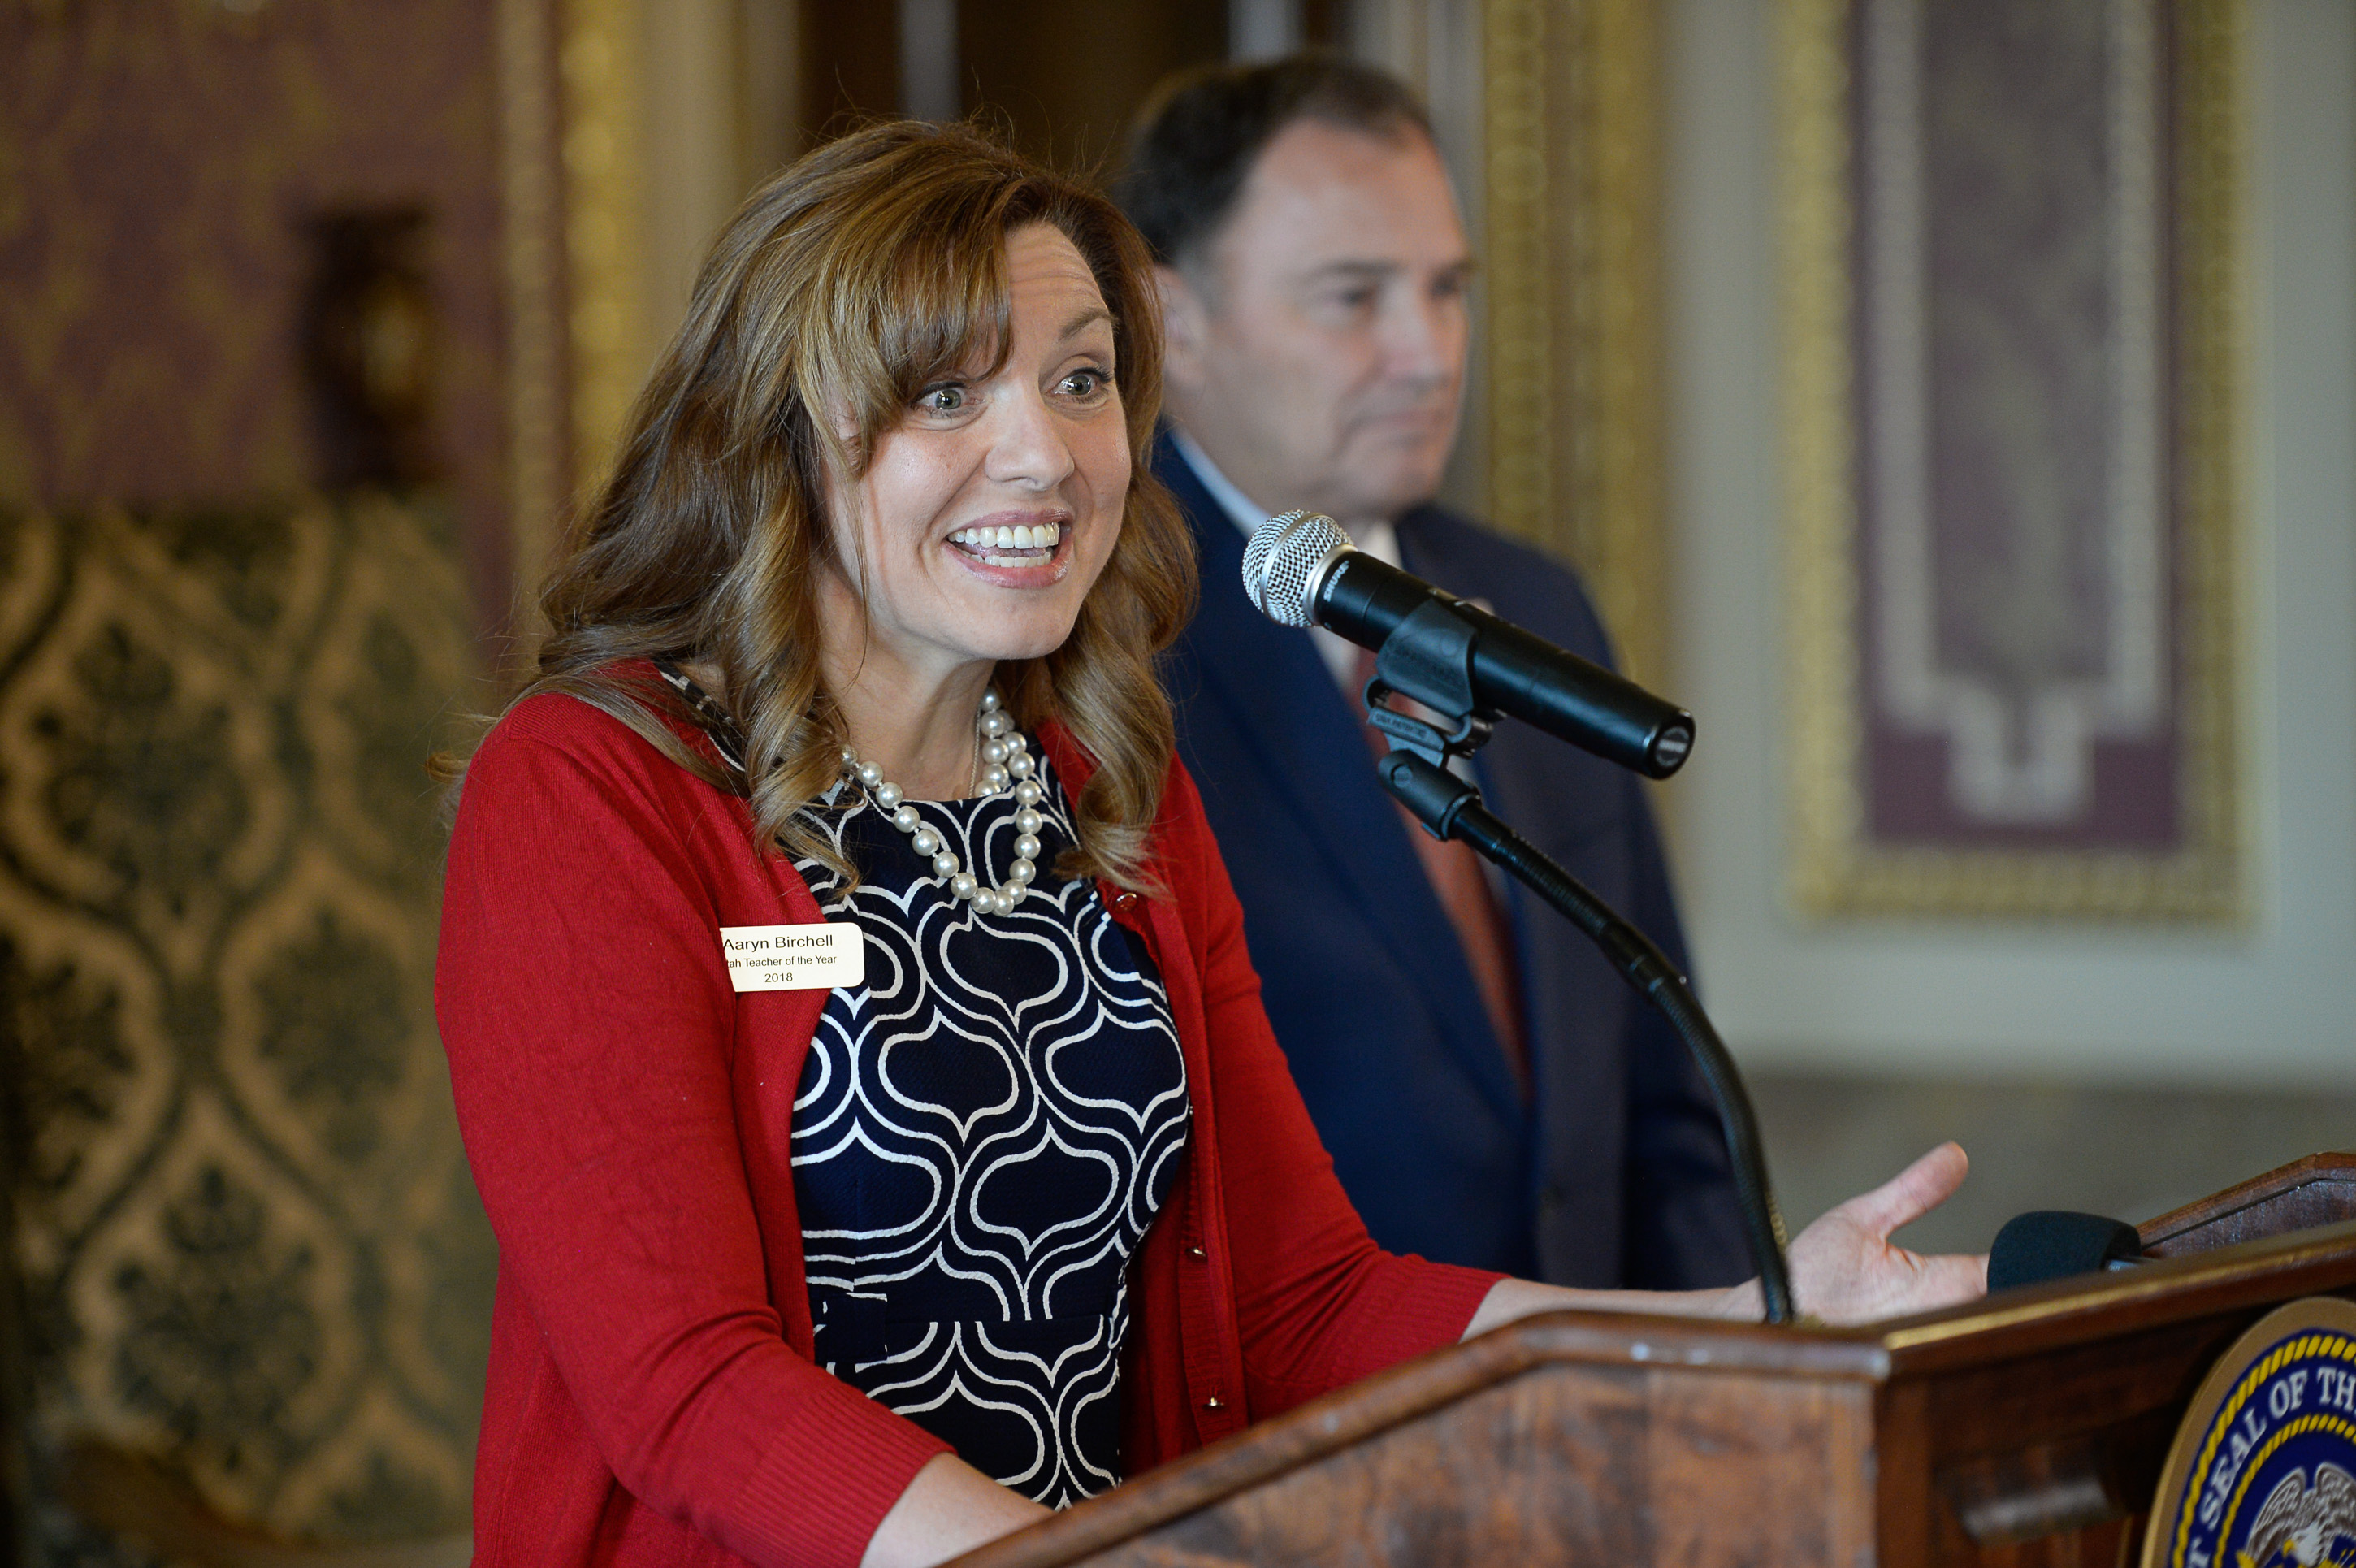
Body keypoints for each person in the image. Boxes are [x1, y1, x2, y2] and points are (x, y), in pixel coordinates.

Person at [435, 121, 1985, 1568]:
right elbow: (689, 1381)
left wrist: (1750, 1320)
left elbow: (1307, 1297)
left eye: (1082, 380)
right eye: (949, 395)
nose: (1046, 456)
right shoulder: (593, 793)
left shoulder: (1105, 778)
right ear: (776, 434)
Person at [1122, 58, 1740, 1288]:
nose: (1428, 351)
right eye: (1354, 298)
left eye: (1447, 289)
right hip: (1304, 1437)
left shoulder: (1533, 599)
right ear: (1170, 321)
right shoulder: (1103, 642)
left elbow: (1663, 1105)